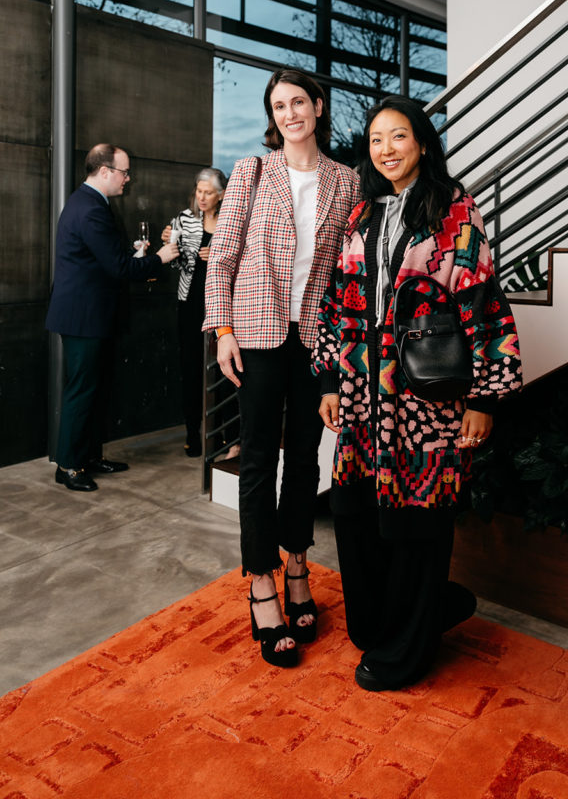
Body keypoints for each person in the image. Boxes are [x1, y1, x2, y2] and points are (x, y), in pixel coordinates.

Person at [312, 96, 523, 692]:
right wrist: (329, 379)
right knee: (355, 517)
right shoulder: (360, 216)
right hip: (359, 397)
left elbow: (481, 300)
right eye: (377, 139)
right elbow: (337, 306)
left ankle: (410, 647)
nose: (386, 149)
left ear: (422, 143)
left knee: (418, 523)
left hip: (424, 400)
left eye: (398, 136)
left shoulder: (453, 209)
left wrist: (484, 397)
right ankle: (394, 621)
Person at [204, 67, 360, 668]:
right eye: (279, 105)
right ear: (273, 116)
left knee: (305, 456)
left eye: (299, 102)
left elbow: (345, 274)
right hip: (257, 335)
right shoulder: (252, 171)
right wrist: (222, 330)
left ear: (319, 107)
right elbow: (224, 258)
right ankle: (262, 581)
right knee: (258, 458)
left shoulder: (345, 181)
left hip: (315, 338)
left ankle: (299, 565)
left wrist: (339, 352)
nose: (290, 113)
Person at [46, 143, 179, 492]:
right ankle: (69, 466)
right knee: (82, 390)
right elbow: (117, 267)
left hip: (89, 314)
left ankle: (87, 456)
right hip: (83, 317)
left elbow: (104, 260)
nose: (128, 178)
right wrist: (160, 259)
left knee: (94, 389)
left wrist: (135, 256)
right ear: (104, 171)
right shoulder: (90, 208)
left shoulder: (88, 203)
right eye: (124, 172)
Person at [161, 167, 228, 457]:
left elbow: (244, 259)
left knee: (223, 371)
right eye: (198, 191)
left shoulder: (231, 221)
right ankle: (192, 433)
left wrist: (218, 256)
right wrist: (170, 246)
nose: (201, 197)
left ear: (221, 195)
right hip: (190, 305)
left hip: (222, 306)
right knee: (190, 369)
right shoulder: (183, 220)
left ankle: (225, 433)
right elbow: (176, 264)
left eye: (208, 192)